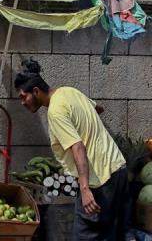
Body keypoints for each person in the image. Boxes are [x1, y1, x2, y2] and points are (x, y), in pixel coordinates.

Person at [14, 58, 131, 240]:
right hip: (118, 170)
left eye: (23, 96)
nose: (22, 102)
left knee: (85, 235)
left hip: (99, 180)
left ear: (36, 91)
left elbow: (78, 147)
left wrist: (84, 189)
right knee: (111, 234)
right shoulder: (69, 91)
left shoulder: (55, 111)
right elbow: (98, 108)